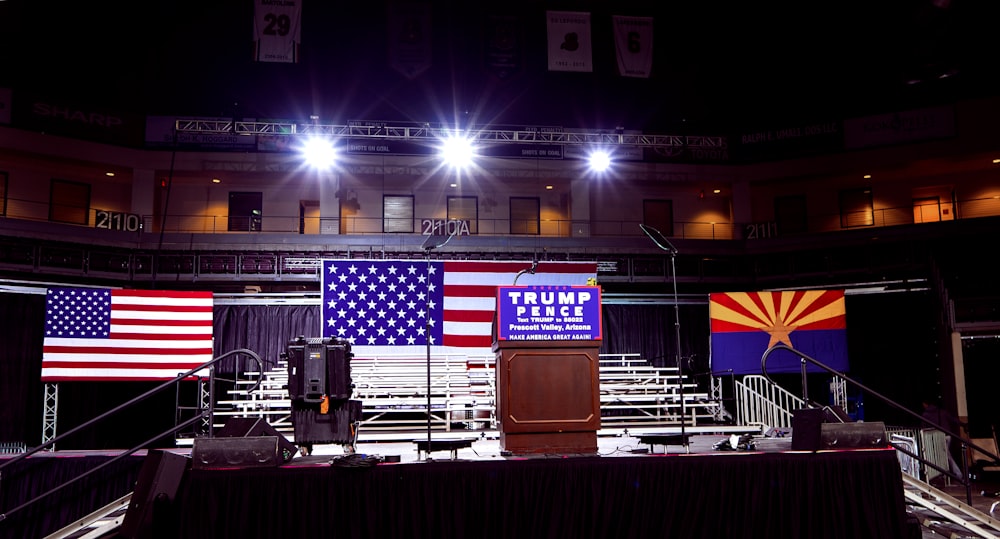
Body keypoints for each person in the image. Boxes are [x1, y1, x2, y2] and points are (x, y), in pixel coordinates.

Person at [921, 399, 963, 480]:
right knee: (945, 455)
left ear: (925, 404)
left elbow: (924, 426)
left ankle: (957, 474)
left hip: (937, 436)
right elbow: (953, 419)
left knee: (945, 455)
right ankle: (947, 474)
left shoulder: (926, 414)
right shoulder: (941, 411)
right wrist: (963, 424)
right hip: (947, 435)